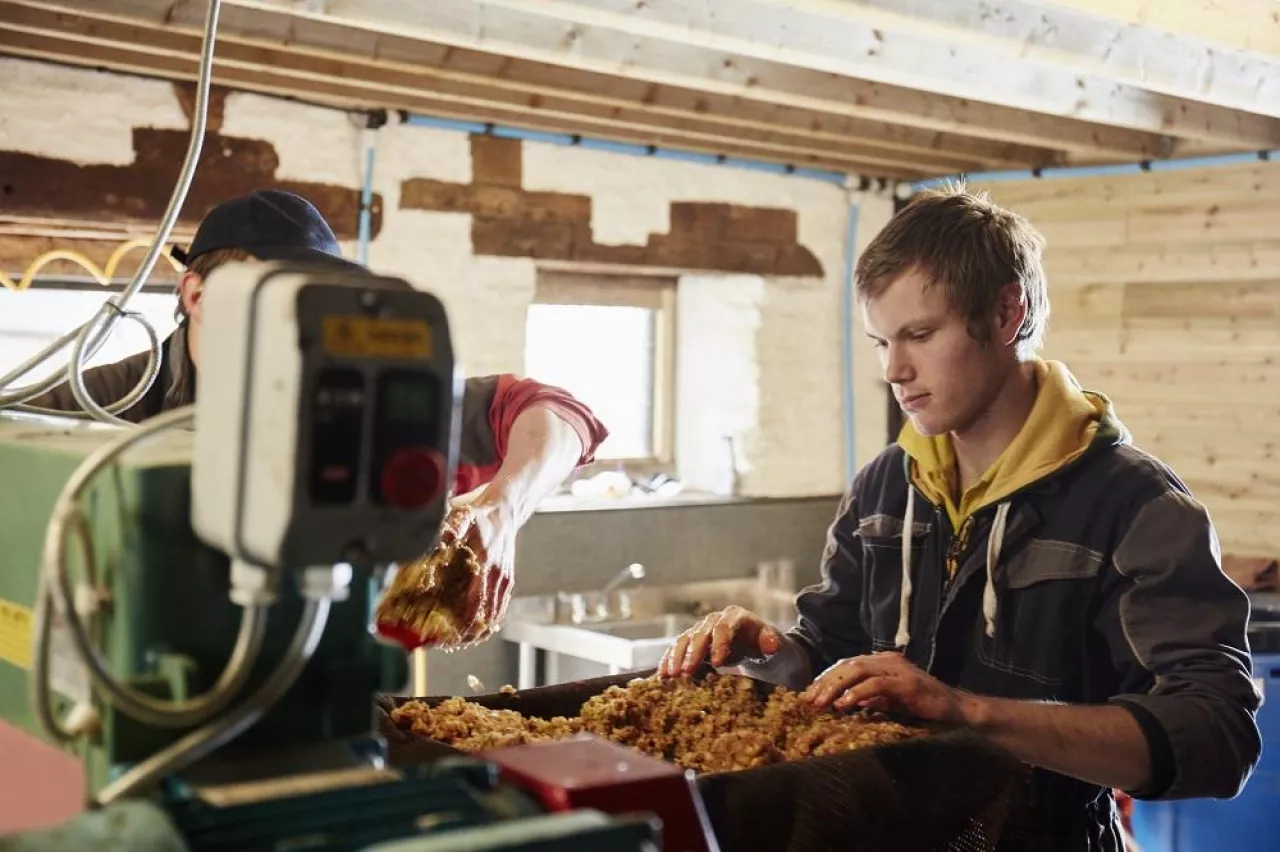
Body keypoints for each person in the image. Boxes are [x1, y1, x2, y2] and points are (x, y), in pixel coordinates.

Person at [659, 185, 1261, 850]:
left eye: (919, 334)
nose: (894, 368)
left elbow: (1215, 736)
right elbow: (827, 655)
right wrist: (769, 657)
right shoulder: (885, 487)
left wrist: (967, 714)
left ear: (1007, 313)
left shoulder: (1134, 505)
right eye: (881, 341)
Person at [28, 190, 608, 638]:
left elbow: (557, 412)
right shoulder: (105, 399)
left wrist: (504, 507)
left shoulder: (355, 397)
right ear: (197, 295)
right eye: (274, 291)